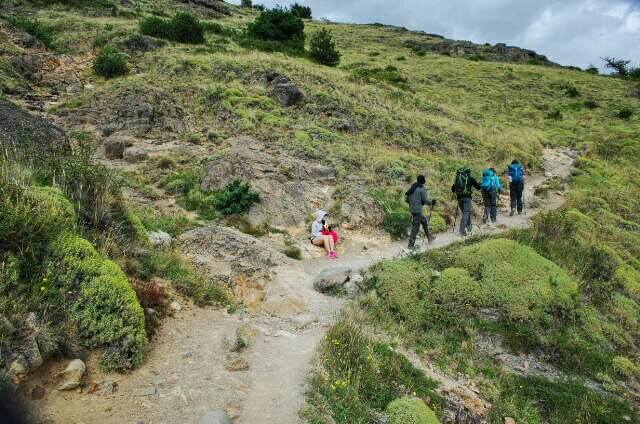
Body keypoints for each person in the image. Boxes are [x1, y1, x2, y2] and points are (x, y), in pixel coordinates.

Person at [405, 175, 436, 249]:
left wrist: (413, 202)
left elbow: (406, 200)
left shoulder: (412, 187)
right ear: (423, 181)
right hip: (417, 211)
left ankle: (429, 237)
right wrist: (432, 202)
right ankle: (410, 246)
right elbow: (425, 200)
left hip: (412, 210)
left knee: (424, 221)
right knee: (415, 228)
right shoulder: (421, 188)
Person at [451, 166, 481, 237]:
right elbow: (478, 187)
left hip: (459, 199)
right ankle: (461, 231)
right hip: (467, 198)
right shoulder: (470, 178)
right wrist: (479, 184)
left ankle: (469, 229)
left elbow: (452, 189)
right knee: (466, 214)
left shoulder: (458, 179)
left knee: (466, 213)